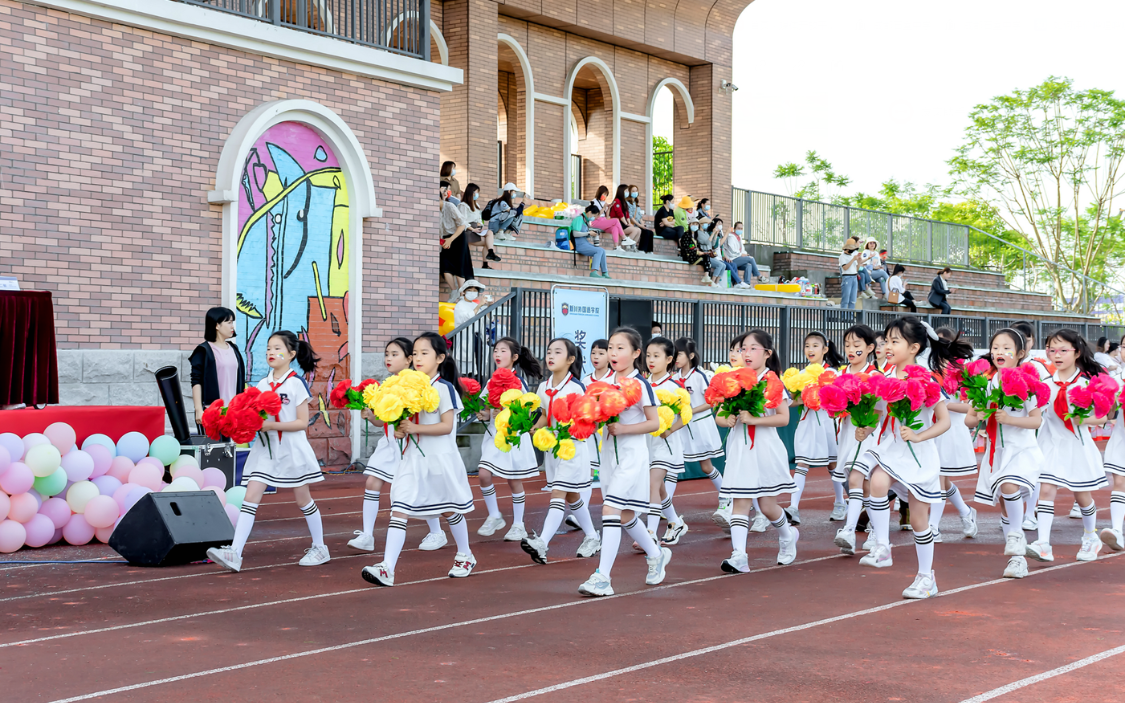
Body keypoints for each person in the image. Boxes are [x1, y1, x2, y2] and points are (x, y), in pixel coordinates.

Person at [853, 317, 973, 599]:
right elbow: (879, 414)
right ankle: (882, 546)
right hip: (892, 448)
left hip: (919, 454)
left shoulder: (926, 379)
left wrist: (920, 436)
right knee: (877, 480)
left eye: (895, 341)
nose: (888, 346)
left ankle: (926, 576)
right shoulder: (884, 378)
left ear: (914, 347)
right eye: (886, 341)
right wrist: (864, 427)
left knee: (920, 520)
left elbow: (943, 421)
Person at [361, 332, 477, 586]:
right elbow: (402, 426)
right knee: (399, 508)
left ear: (440, 358)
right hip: (411, 459)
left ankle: (465, 554)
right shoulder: (403, 386)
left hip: (439, 460)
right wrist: (399, 428)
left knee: (449, 509)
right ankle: (387, 568)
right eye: (415, 353)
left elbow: (447, 426)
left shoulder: (444, 388)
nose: (418, 358)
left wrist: (415, 429)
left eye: (425, 353)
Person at [206, 331, 327, 572]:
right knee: (251, 496)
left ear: (291, 354)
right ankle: (235, 553)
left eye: (277, 348)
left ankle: (320, 547)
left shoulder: (295, 383)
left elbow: (302, 422)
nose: (271, 353)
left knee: (303, 500)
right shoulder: (262, 384)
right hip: (265, 450)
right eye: (268, 348)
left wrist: (270, 425)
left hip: (292, 449)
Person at [577, 327, 672, 597]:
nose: (613, 353)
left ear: (636, 353)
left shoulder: (640, 384)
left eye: (620, 348)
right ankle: (656, 555)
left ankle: (602, 577)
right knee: (626, 515)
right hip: (609, 456)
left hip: (632, 455)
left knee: (610, 510)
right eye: (611, 348)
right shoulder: (603, 384)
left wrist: (624, 429)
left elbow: (654, 422)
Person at [347, 337, 448, 553]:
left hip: (410, 444)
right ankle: (367, 535)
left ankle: (437, 531)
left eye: (395, 354)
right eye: (387, 354)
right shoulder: (387, 384)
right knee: (372, 482)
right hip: (389, 443)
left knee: (423, 489)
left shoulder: (416, 385)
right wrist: (370, 416)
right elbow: (385, 419)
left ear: (408, 359)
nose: (388, 358)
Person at [713, 330, 798, 572]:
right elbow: (720, 414)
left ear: (767, 353)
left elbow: (783, 419)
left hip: (765, 447)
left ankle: (787, 535)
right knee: (739, 501)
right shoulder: (733, 379)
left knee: (768, 505)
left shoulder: (773, 382)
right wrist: (725, 420)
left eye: (752, 348)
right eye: (743, 349)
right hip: (740, 447)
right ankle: (739, 555)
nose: (746, 353)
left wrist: (754, 419)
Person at [1027, 329, 1109, 564]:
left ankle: (1091, 536)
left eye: (1063, 350)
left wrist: (1081, 419)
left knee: (1082, 495)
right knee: (1046, 490)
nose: (1057, 355)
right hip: (1050, 443)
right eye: (1052, 350)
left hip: (1077, 445)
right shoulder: (1045, 384)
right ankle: (1043, 543)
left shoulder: (1086, 383)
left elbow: (1102, 417)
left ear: (1077, 353)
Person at [968, 327, 1044, 579]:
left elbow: (1035, 421)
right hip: (996, 451)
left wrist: (1009, 420)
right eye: (995, 347)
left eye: (1006, 348)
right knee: (1004, 505)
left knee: (1009, 486)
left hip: (1021, 450)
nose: (999, 352)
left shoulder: (1027, 382)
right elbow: (970, 419)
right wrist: (978, 415)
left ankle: (1015, 536)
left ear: (1020, 353)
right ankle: (1017, 558)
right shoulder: (987, 383)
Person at [521, 337, 602, 563]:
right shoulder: (545, 387)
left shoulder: (576, 387)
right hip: (553, 451)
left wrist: (568, 429)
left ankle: (542, 543)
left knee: (558, 494)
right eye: (549, 352)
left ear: (571, 359)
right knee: (573, 496)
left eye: (557, 352)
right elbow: (543, 419)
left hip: (572, 449)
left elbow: (588, 422)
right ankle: (593, 536)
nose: (550, 356)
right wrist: (529, 426)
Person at [475, 337, 543, 543]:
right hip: (494, 437)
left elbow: (527, 411)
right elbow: (486, 409)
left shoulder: (518, 382)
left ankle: (518, 524)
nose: (497, 354)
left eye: (503, 351)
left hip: (512, 437)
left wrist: (508, 412)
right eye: (495, 350)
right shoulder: (491, 381)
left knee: (514, 481)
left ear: (514, 357)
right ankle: (495, 515)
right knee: (483, 474)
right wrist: (485, 414)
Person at [929, 327, 980, 544]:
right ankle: (966, 512)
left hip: (951, 429)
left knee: (940, 477)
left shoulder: (962, 373)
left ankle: (932, 526)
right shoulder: (928, 370)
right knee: (941, 478)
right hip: (930, 429)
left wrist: (945, 403)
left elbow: (971, 406)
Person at [788, 331, 844, 526]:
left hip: (828, 423)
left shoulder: (834, 373)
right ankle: (793, 508)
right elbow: (794, 401)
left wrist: (821, 395)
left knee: (833, 465)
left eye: (815, 345)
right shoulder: (801, 375)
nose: (810, 350)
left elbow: (839, 399)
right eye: (807, 346)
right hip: (807, 423)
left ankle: (840, 502)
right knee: (802, 464)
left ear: (825, 349)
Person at [833, 324, 882, 552]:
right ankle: (876, 530)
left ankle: (849, 530)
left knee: (856, 479)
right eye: (847, 345)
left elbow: (881, 409)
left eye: (856, 345)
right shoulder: (842, 375)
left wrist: (868, 428)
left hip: (868, 436)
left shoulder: (875, 375)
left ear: (870, 347)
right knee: (863, 487)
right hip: (848, 434)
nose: (850, 349)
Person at [672, 338, 728, 524]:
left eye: (679, 354)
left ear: (691, 356)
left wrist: (691, 411)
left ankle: (725, 496)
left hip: (700, 425)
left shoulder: (699, 376)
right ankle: (665, 505)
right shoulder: (673, 377)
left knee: (706, 466)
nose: (675, 357)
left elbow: (712, 401)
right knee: (672, 467)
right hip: (682, 427)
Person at [643, 337, 689, 546]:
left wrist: (669, 430)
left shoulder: (674, 386)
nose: (651, 360)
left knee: (653, 484)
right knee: (659, 487)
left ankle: (650, 532)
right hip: (646, 443)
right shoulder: (642, 383)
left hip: (665, 444)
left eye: (656, 356)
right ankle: (674, 521)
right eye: (648, 355)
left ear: (669, 359)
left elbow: (686, 414)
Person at [190, 306, 245, 431]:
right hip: (212, 411)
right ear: (217, 326)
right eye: (228, 322)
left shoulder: (234, 349)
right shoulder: (204, 350)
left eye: (233, 322)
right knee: (213, 449)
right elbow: (196, 381)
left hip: (233, 412)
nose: (232, 326)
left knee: (228, 449)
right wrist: (199, 409)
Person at [439, 181, 472, 301]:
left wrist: (451, 239)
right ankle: (454, 291)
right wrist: (443, 242)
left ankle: (463, 294)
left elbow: (462, 225)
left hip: (457, 237)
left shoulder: (450, 206)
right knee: (444, 265)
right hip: (445, 240)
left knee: (460, 267)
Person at [458, 183, 501, 269]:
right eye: (477, 192)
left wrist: (481, 226)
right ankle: (486, 261)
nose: (478, 195)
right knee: (488, 242)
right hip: (468, 230)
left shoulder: (476, 205)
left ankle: (490, 253)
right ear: (472, 193)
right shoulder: (462, 205)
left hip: (476, 229)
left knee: (489, 233)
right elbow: (462, 221)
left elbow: (478, 219)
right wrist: (473, 229)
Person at [569, 204, 610, 278]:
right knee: (599, 251)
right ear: (590, 212)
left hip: (584, 243)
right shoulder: (579, 219)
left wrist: (591, 234)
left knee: (602, 250)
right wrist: (588, 233)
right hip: (578, 244)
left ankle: (605, 273)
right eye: (594, 216)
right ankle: (593, 272)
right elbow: (575, 233)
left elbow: (583, 234)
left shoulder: (585, 221)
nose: (594, 218)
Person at [722, 221, 761, 287]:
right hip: (732, 258)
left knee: (749, 265)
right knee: (751, 259)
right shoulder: (731, 237)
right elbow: (732, 249)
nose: (740, 230)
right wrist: (741, 254)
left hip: (738, 258)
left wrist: (745, 254)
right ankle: (758, 276)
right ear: (734, 229)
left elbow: (742, 250)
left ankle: (747, 283)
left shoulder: (739, 237)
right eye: (738, 228)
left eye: (741, 228)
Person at [609, 184, 643, 251]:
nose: (628, 192)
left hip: (623, 224)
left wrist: (629, 223)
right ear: (622, 191)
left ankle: (632, 247)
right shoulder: (617, 201)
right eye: (626, 191)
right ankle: (624, 244)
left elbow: (627, 215)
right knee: (635, 230)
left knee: (639, 230)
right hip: (618, 224)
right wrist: (626, 224)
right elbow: (620, 214)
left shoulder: (624, 202)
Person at [838, 238, 862, 309]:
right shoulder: (842, 256)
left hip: (854, 277)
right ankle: (844, 317)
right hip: (847, 277)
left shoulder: (852, 256)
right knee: (846, 298)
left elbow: (856, 269)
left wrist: (859, 262)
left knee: (853, 300)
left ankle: (850, 317)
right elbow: (845, 267)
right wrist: (853, 259)